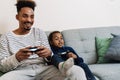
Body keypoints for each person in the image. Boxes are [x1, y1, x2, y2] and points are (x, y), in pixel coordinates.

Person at [0, 1, 87, 80]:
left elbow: (50, 58)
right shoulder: (5, 37)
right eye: (25, 16)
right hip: (20, 72)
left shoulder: (39, 32)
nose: (29, 20)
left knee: (77, 71)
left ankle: (62, 66)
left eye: (32, 16)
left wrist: (48, 54)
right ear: (17, 17)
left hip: (43, 69)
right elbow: (2, 67)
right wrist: (17, 57)